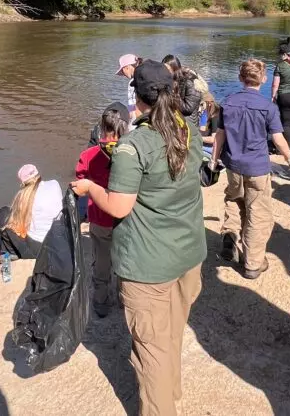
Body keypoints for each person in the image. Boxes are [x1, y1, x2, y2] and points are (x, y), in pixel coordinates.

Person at [70, 60, 207, 416]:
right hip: (189, 255)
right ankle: (171, 392)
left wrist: (90, 187)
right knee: (172, 333)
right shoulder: (187, 129)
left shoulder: (133, 147)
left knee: (151, 351)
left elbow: (117, 207)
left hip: (150, 266)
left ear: (137, 96)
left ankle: (162, 405)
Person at [210, 59, 290, 280]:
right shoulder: (268, 106)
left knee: (233, 199)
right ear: (264, 79)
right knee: (259, 213)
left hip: (233, 165)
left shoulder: (228, 102)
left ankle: (230, 234)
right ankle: (253, 263)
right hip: (257, 167)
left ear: (240, 78)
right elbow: (277, 138)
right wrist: (289, 157)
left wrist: (213, 160)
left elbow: (220, 135)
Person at [75, 103, 130, 317]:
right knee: (124, 260)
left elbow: (80, 180)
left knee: (101, 260)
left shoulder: (89, 154)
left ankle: (100, 301)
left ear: (100, 128)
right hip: (125, 219)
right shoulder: (131, 153)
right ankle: (123, 297)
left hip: (99, 219)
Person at [0, 164, 64, 260]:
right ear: (38, 174)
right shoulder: (55, 183)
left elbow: (21, 224)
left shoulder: (22, 197)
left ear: (23, 183)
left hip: (37, 250)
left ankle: (9, 252)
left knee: (4, 213)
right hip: (59, 242)